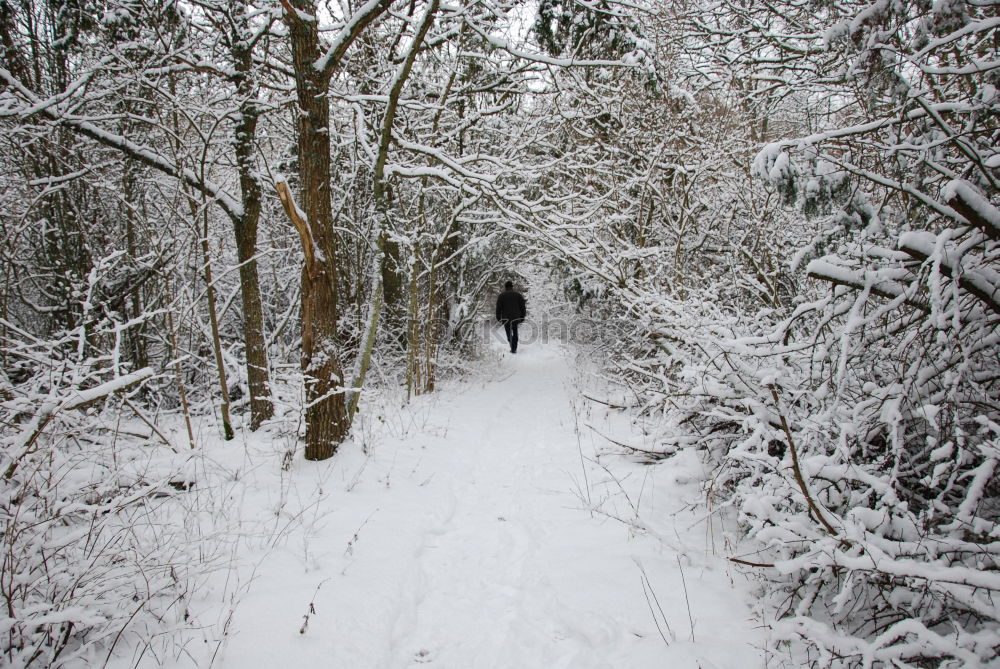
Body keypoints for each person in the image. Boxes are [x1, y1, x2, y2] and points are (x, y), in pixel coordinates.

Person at [495, 281, 526, 353]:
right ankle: (514, 347)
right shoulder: (518, 295)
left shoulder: (501, 296)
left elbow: (498, 308)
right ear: (512, 287)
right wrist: (522, 316)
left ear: (505, 287)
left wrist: (499, 318)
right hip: (516, 317)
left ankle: (512, 346)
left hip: (506, 317)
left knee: (508, 333)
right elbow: (523, 307)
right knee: (515, 331)